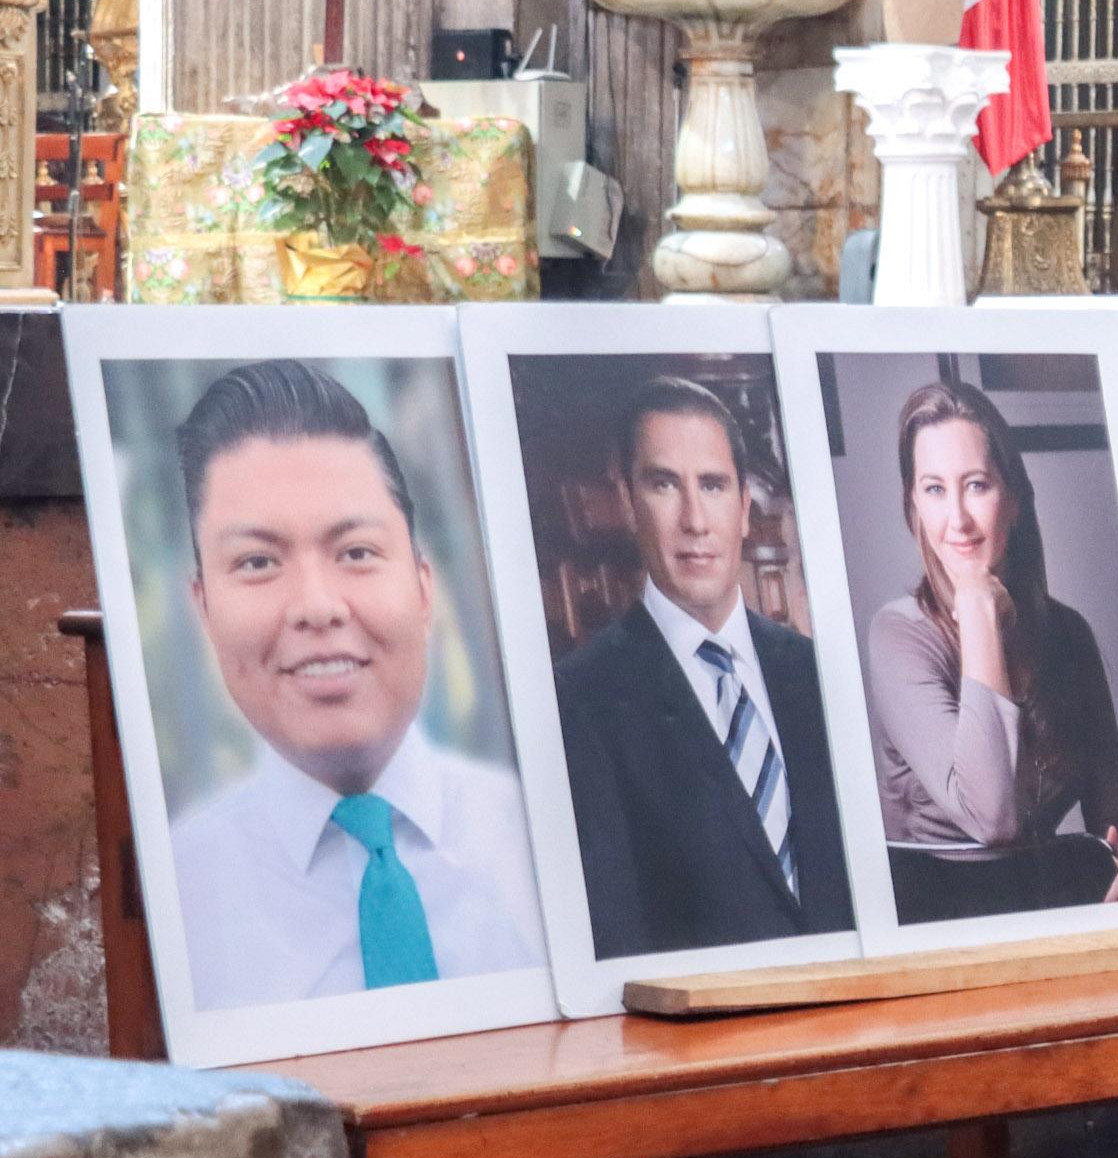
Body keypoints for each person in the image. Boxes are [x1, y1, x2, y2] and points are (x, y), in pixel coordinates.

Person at [165, 360, 545, 1008]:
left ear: (423, 587)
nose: (317, 606)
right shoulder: (172, 898)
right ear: (204, 608)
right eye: (257, 561)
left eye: (357, 552)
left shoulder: (549, 837)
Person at [557, 376, 852, 958]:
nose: (695, 520)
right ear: (627, 504)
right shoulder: (581, 698)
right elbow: (615, 938)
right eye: (665, 484)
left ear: (743, 509)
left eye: (713, 485)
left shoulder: (816, 673)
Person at [864, 381, 1118, 919]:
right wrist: (978, 609)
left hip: (1051, 911)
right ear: (913, 506)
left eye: (976, 485)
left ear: (1015, 499)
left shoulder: (1069, 636)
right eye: (934, 490)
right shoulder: (897, 635)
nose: (957, 519)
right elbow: (993, 819)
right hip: (938, 927)